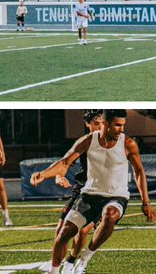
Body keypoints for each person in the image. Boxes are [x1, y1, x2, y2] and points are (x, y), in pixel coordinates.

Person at [30, 110, 156, 274]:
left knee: (110, 214)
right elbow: (65, 163)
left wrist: (146, 202)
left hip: (116, 196)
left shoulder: (128, 144)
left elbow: (139, 171)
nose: (121, 129)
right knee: (63, 233)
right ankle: (54, 271)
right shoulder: (88, 141)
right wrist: (43, 174)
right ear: (105, 123)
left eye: (123, 125)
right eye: (117, 125)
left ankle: (85, 258)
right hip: (89, 195)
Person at [51, 110, 105, 273]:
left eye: (102, 123)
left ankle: (72, 263)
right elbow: (66, 162)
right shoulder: (84, 142)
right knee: (61, 229)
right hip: (80, 190)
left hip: (98, 192)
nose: (100, 127)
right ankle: (56, 263)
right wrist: (59, 176)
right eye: (96, 123)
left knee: (83, 229)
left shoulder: (112, 143)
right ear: (87, 125)